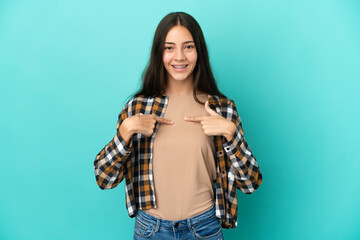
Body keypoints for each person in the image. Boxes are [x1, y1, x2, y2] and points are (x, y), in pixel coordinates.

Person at [93, 11, 262, 239]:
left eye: (188, 47)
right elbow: (104, 179)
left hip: (204, 228)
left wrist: (231, 134)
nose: (179, 57)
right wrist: (125, 131)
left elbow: (250, 183)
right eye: (169, 47)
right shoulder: (137, 108)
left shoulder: (222, 109)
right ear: (159, 53)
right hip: (150, 230)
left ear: (198, 51)